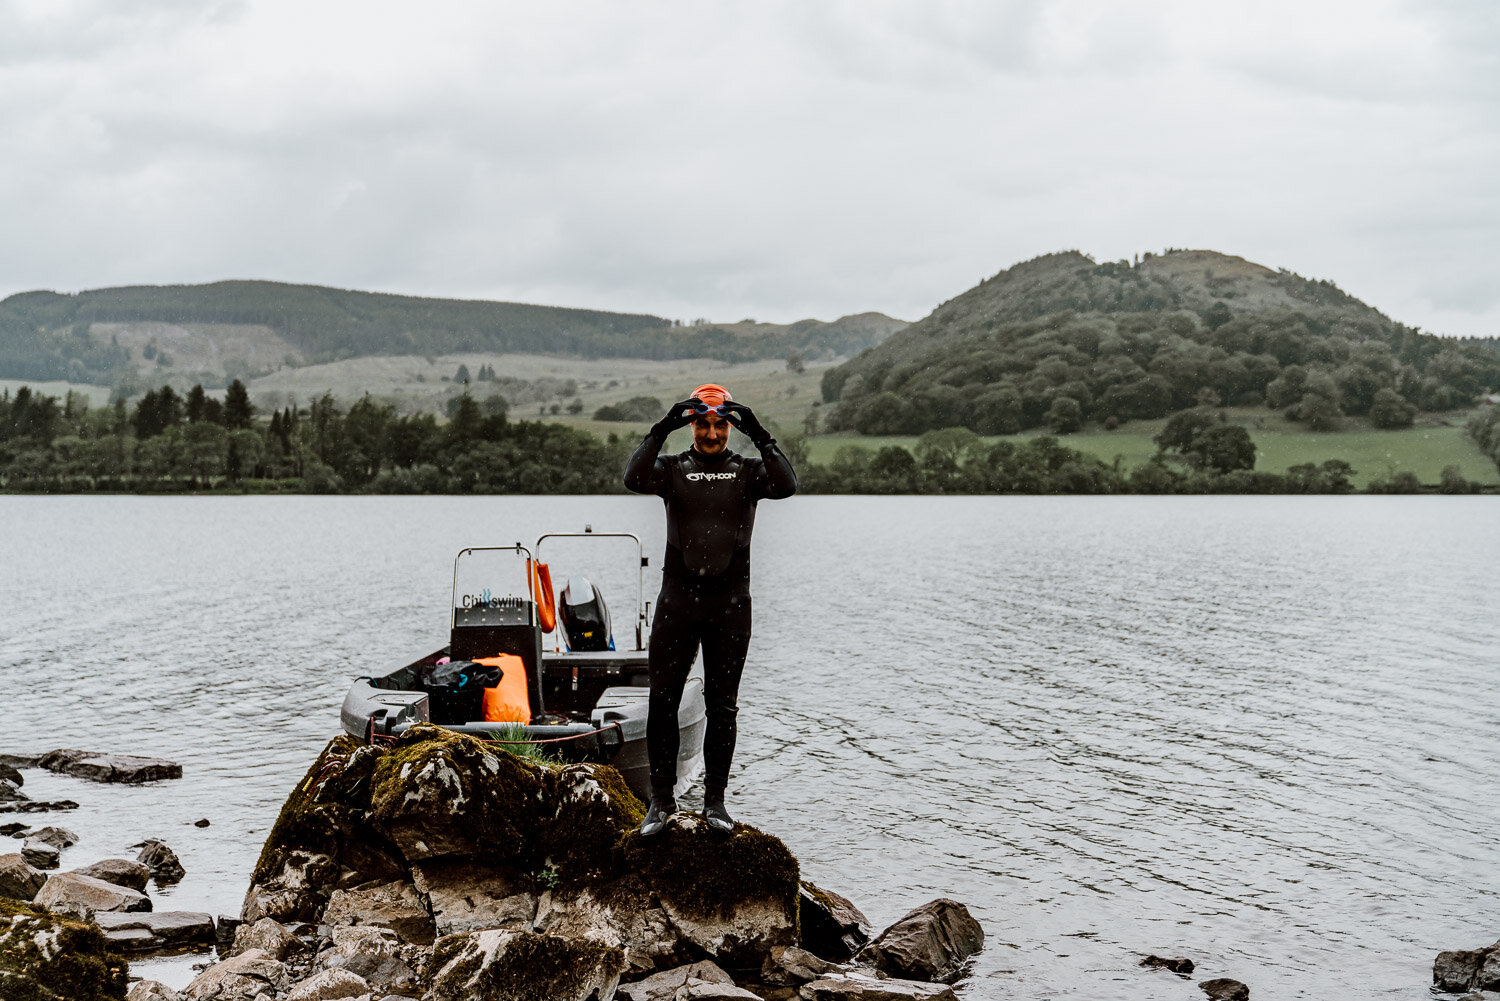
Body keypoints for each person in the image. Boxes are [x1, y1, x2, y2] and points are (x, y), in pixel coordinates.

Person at [623, 383, 797, 836]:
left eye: (721, 424)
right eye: (703, 423)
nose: (712, 433)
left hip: (730, 607)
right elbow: (632, 476)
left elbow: (788, 484)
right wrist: (664, 425)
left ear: (730, 427)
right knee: (662, 704)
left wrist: (757, 431)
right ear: (692, 426)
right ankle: (661, 805)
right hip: (677, 604)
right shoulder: (670, 469)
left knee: (723, 708)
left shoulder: (751, 472)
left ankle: (715, 805)